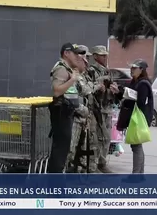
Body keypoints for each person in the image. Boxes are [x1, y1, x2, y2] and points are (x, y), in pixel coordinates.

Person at [47, 43, 86, 173]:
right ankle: (54, 187)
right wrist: (72, 80)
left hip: (67, 113)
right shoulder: (61, 68)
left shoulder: (68, 69)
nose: (77, 56)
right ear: (66, 53)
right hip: (61, 112)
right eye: (75, 53)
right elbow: (57, 91)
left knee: (63, 150)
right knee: (59, 151)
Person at [66, 45, 99, 173]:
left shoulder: (83, 74)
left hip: (82, 118)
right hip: (74, 118)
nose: (86, 64)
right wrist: (83, 110)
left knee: (81, 149)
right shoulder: (72, 75)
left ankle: (79, 172)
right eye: (85, 60)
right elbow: (84, 90)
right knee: (70, 150)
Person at [117, 59, 153, 174]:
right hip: (134, 118)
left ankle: (136, 175)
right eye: (131, 68)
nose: (131, 70)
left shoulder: (143, 83)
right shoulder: (134, 82)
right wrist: (119, 92)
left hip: (138, 118)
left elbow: (141, 102)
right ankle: (139, 174)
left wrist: (126, 94)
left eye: (134, 68)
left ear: (141, 70)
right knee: (136, 146)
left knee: (136, 146)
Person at [88, 45, 119, 173]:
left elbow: (111, 86)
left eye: (106, 55)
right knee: (98, 138)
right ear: (95, 56)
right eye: (102, 55)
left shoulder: (106, 71)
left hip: (107, 107)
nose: (105, 57)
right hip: (97, 109)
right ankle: (96, 164)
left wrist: (114, 89)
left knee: (106, 138)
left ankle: (102, 162)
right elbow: (90, 88)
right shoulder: (91, 71)